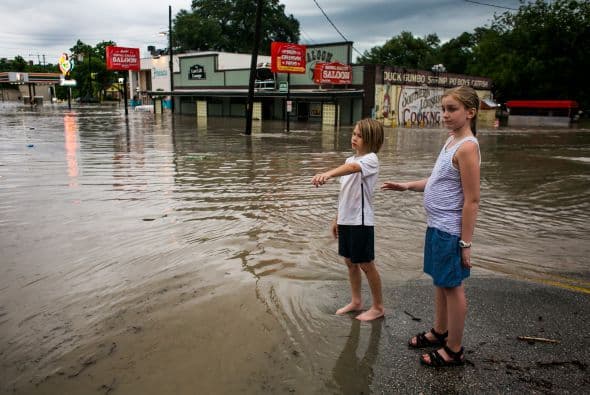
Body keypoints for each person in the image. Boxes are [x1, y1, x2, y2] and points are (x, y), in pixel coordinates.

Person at [382, 86, 481, 366]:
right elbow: (437, 180)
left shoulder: (468, 148)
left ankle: (454, 349)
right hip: (435, 226)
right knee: (440, 282)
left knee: (453, 287)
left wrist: (465, 243)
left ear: (470, 112)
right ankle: (440, 331)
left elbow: (472, 200)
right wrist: (408, 186)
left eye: (452, 109)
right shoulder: (451, 141)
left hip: (450, 231)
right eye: (443, 109)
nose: (445, 115)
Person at [312, 118, 385, 321]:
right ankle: (356, 301)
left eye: (359, 136)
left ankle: (378, 307)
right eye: (353, 134)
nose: (354, 138)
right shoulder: (348, 161)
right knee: (350, 262)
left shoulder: (371, 159)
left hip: (361, 222)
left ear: (371, 139)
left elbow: (354, 168)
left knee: (366, 264)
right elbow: (345, 193)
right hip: (346, 220)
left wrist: (327, 174)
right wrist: (337, 219)